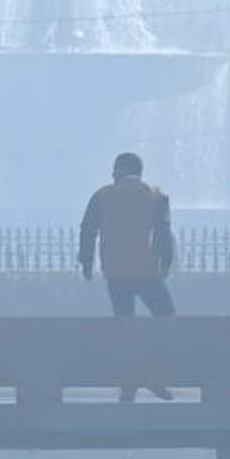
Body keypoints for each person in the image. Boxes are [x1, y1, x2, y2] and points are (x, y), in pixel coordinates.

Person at [78, 152, 176, 403]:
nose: (112, 174)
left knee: (125, 328)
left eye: (114, 169)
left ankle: (129, 385)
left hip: (116, 273)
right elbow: (163, 232)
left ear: (122, 170)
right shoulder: (156, 196)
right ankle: (155, 375)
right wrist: (166, 262)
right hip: (147, 273)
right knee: (167, 321)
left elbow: (87, 229)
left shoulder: (102, 196)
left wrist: (86, 262)